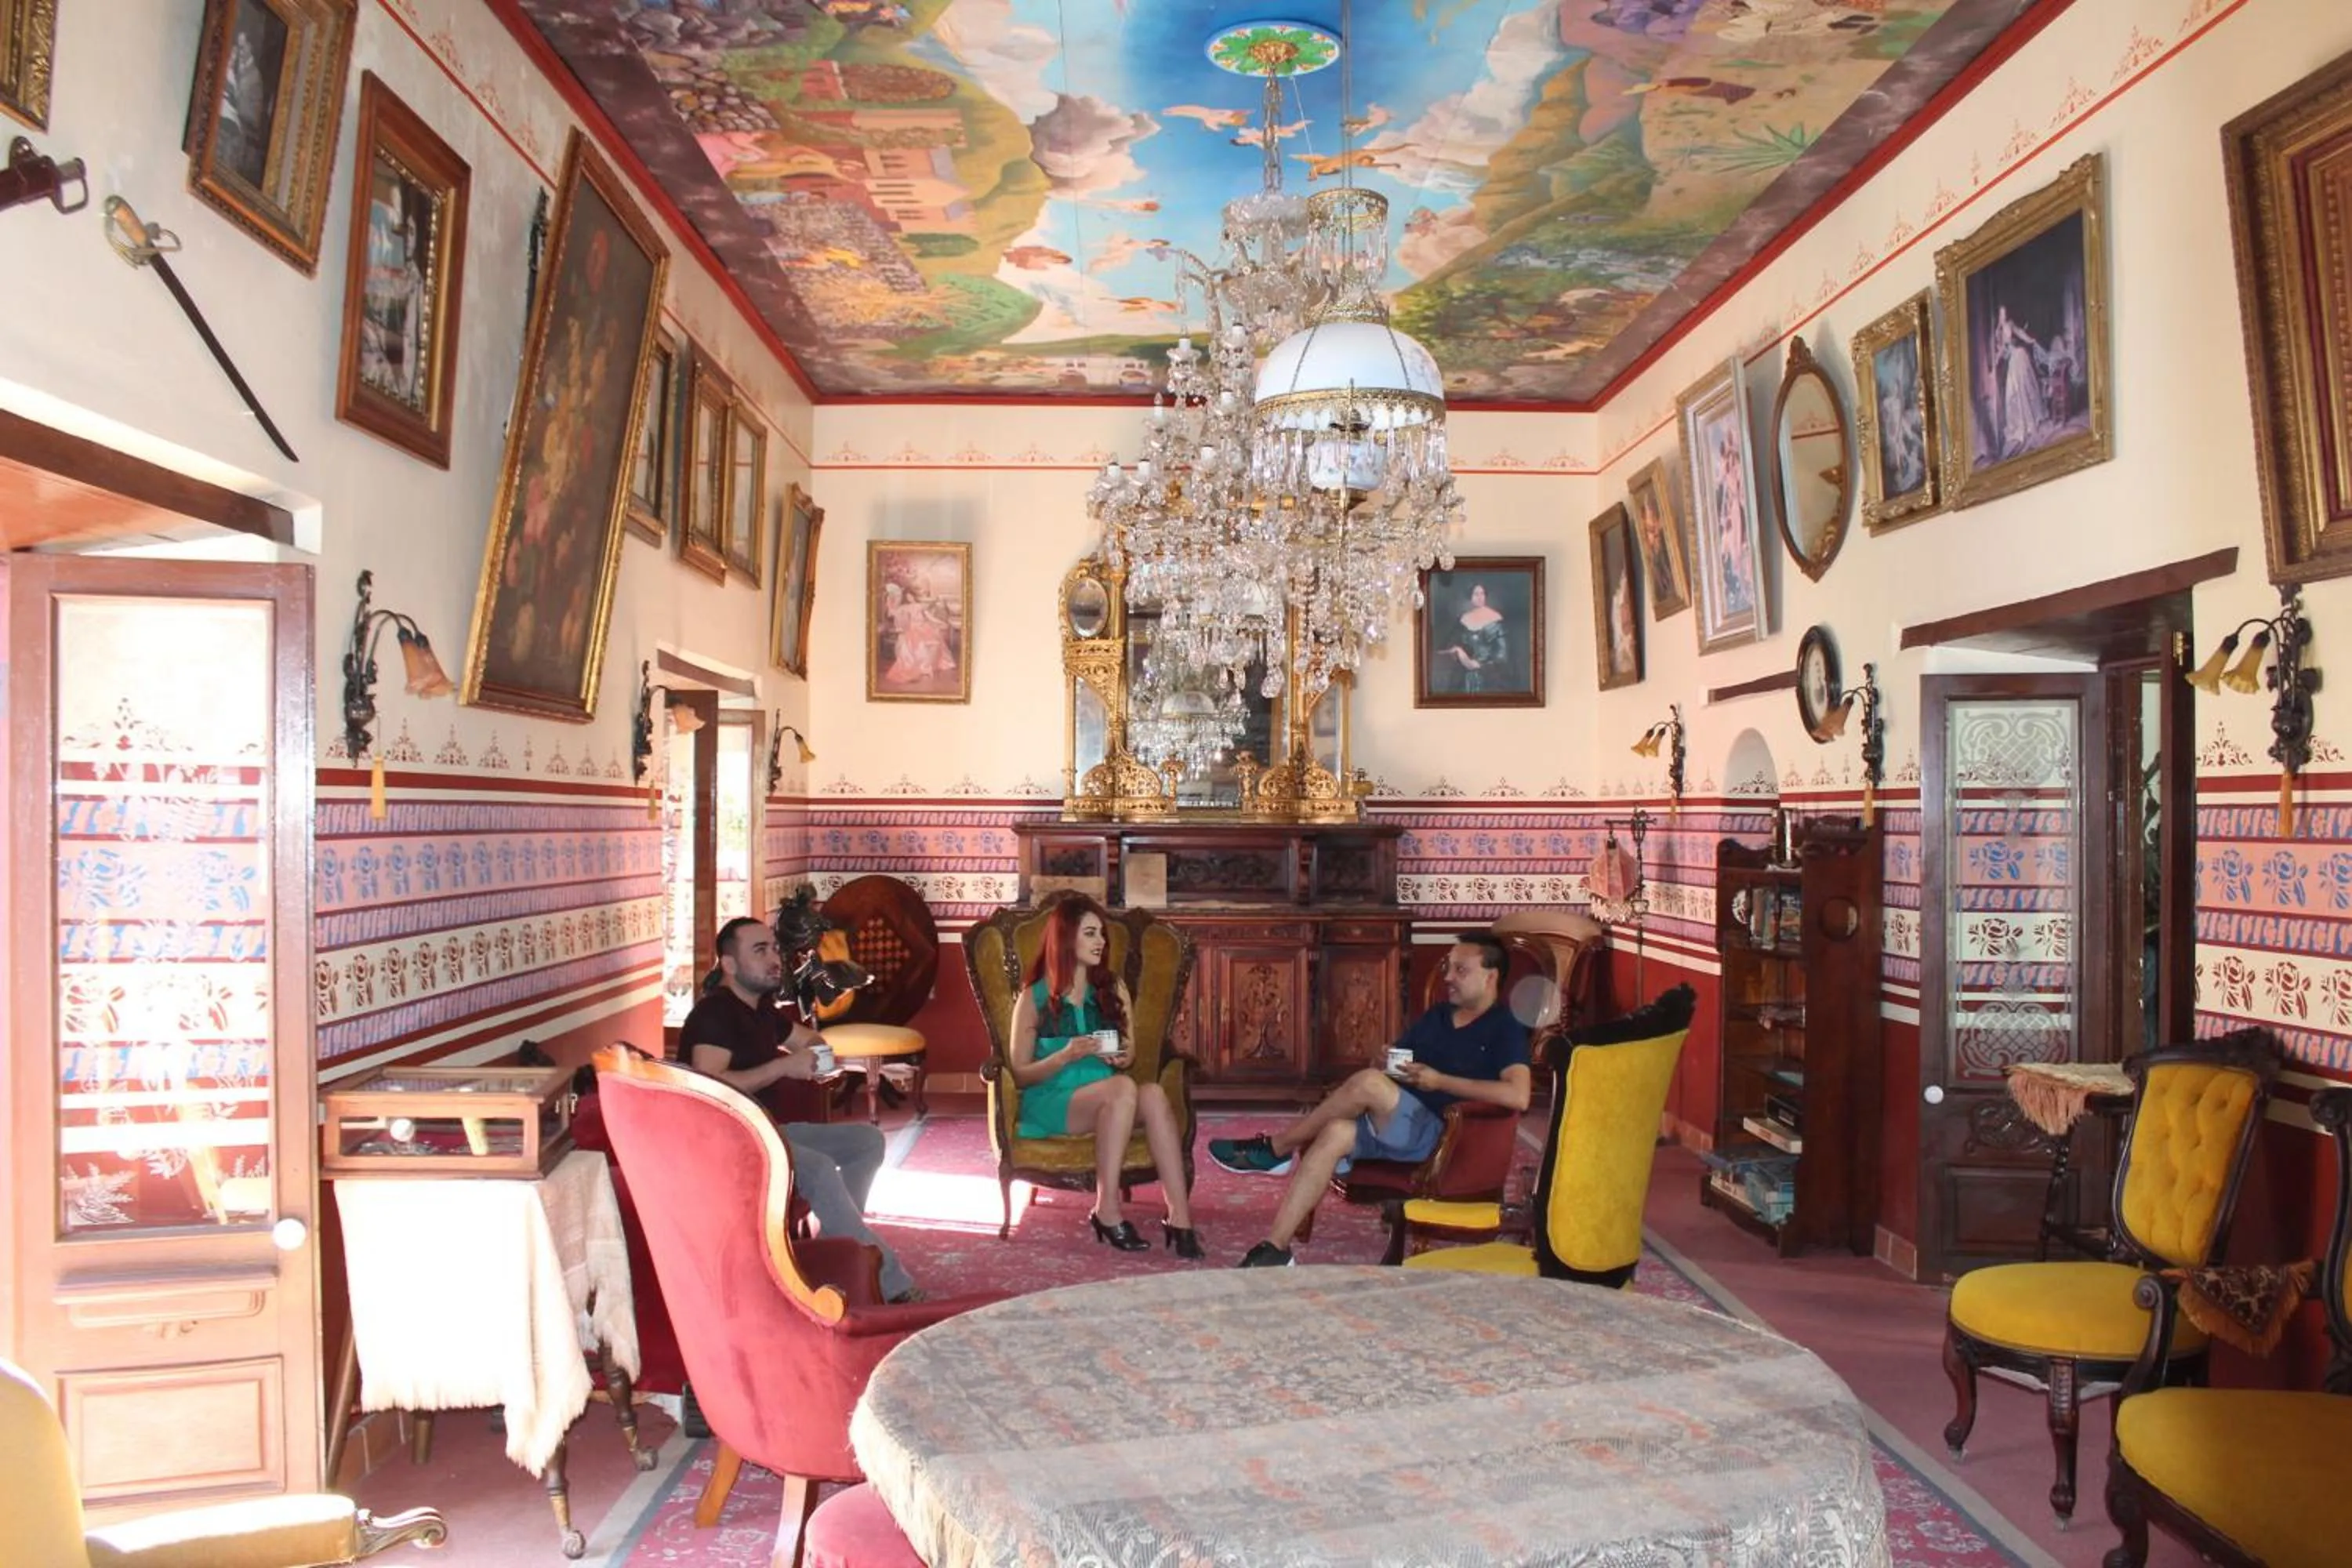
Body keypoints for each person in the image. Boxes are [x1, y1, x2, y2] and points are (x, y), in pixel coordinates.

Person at [1210, 934, 1530, 1267]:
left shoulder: (1504, 1028)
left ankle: (1278, 1148)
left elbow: (1518, 1095)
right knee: (1335, 1131)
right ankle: (1277, 1248)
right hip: (1400, 1123)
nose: (1448, 977)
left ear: (1490, 976)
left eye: (1461, 970)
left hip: (1444, 1136)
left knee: (1368, 1084)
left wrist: (1440, 1081)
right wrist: (1387, 1061)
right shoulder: (1438, 1015)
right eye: (1449, 968)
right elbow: (1401, 1065)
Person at [678, 916, 917, 1303]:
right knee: (819, 1168)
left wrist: (819, 1061)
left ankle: (835, 1250)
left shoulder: (760, 1010)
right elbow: (710, 1087)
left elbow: (809, 1038)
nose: (775, 958)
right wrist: (781, 1067)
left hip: (767, 1132)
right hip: (729, 1143)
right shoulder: (714, 1015)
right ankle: (893, 1284)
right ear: (729, 964)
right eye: (760, 951)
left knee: (866, 1141)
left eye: (774, 948)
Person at [1007, 897, 1202, 1258]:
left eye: (1103, 936)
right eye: (1091, 933)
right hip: (1053, 1099)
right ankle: (1107, 1209)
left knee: (1155, 1096)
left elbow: (1128, 1054)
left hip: (1110, 1095)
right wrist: (1066, 1055)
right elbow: (1020, 1074)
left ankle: (1180, 1218)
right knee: (1122, 1088)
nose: (1101, 943)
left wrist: (1121, 1055)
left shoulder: (1112, 988)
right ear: (1066, 939)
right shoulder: (1032, 998)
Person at [1434, 583, 1508, 693]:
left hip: (1488, 674)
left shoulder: (1495, 619)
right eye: (1476, 594)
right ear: (1470, 597)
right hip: (1464, 673)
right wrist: (1457, 651)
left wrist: (1479, 665)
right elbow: (1444, 646)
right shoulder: (1463, 620)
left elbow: (1502, 654)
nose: (1479, 597)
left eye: (1482, 594)